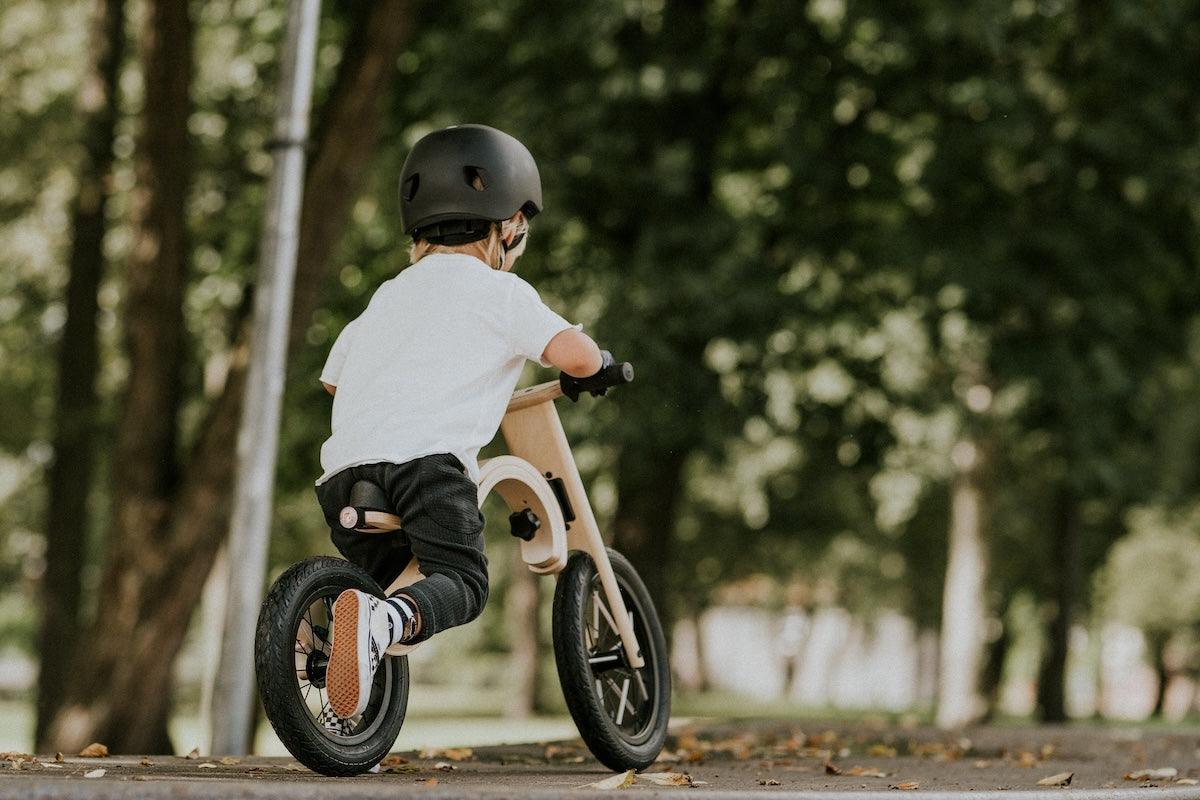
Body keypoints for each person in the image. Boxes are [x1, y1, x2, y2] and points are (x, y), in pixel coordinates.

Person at [315, 125, 608, 720]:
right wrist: (597, 363)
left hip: (343, 475)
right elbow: (574, 356)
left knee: (383, 585)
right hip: (426, 465)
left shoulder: (386, 296)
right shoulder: (500, 293)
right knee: (462, 581)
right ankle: (383, 620)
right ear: (507, 226)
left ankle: (335, 652)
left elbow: (333, 380)